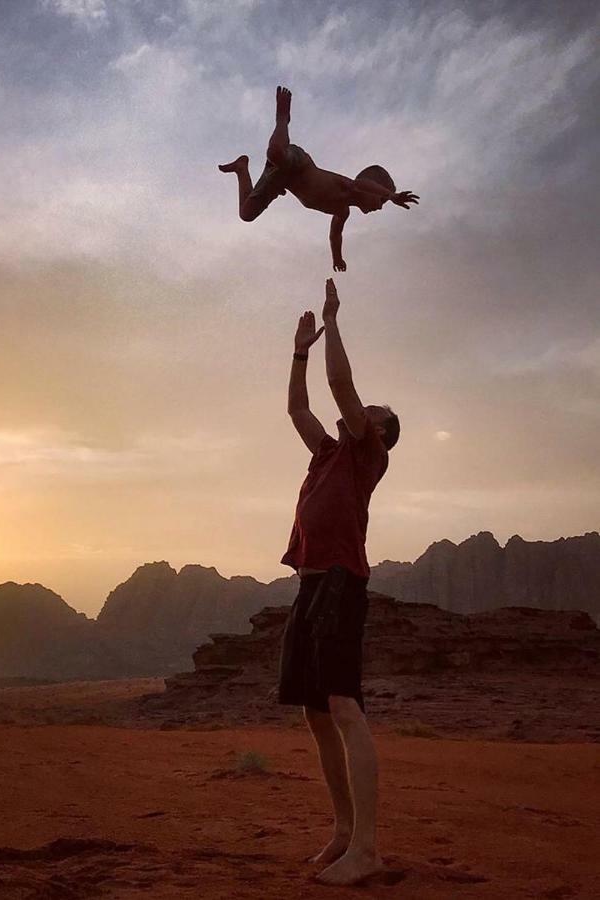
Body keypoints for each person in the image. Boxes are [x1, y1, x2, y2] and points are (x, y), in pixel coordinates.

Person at [278, 278, 399, 885]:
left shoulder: (367, 452)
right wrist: (298, 350)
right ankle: (345, 832)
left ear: (377, 429)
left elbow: (340, 386)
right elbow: (299, 409)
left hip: (342, 582)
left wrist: (332, 319)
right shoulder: (326, 452)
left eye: (370, 412)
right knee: (315, 712)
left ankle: (369, 849)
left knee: (345, 707)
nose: (360, 409)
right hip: (309, 583)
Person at [219, 86, 419, 272]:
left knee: (246, 214)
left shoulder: (342, 211)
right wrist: (391, 195)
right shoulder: (349, 187)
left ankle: (241, 168)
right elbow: (361, 184)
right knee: (275, 153)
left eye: (384, 201)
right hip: (298, 163)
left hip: (283, 180)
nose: (381, 206)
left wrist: (337, 258)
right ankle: (282, 118)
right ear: (372, 188)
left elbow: (335, 235)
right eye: (381, 200)